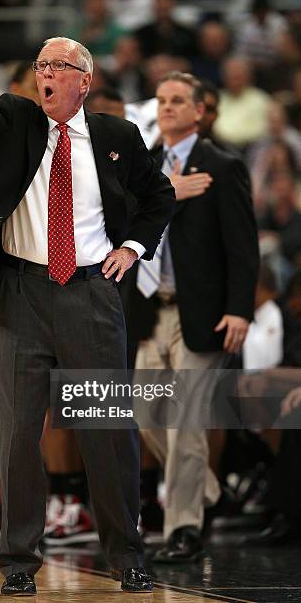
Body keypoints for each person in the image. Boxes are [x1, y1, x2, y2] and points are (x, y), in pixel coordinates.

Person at [0, 6, 175, 596]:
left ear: (83, 80)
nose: (45, 73)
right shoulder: (15, 118)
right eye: (41, 64)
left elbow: (159, 195)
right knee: (18, 433)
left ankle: (128, 558)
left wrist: (134, 248)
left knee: (106, 431)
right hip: (19, 293)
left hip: (92, 292)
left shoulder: (117, 135)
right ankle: (18, 563)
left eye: (58, 65)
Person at [124, 71, 259, 562]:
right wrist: (167, 191)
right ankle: (211, 492)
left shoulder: (223, 166)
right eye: (161, 100)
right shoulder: (146, 166)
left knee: (185, 420)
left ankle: (184, 529)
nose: (167, 108)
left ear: (200, 111)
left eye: (178, 100)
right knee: (143, 415)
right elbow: (120, 224)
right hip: (149, 307)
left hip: (200, 313)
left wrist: (239, 309)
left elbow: (243, 248)